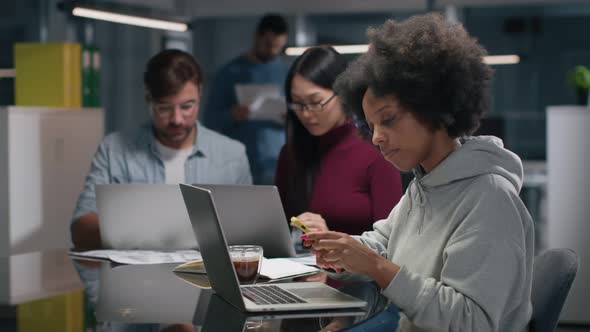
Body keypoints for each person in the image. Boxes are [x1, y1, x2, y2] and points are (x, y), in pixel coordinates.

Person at [304, 14, 534, 331]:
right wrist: (339, 253)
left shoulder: (489, 198)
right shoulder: (424, 185)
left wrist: (376, 267)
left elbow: (473, 322)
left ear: (434, 107)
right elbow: (381, 245)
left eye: (389, 119)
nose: (376, 138)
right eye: (370, 126)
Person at [71, 49, 252, 249]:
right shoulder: (114, 150)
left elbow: (250, 234)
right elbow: (81, 228)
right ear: (148, 99)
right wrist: (141, 231)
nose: (176, 119)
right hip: (135, 277)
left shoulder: (233, 155)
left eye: (187, 106)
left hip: (208, 278)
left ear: (200, 93)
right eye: (164, 108)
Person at [274, 46, 402, 236]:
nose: (306, 113)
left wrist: (331, 240)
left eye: (316, 102)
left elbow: (392, 243)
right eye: (298, 104)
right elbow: (277, 231)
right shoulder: (290, 153)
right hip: (299, 264)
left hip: (358, 265)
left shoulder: (377, 152)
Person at [202, 14, 290, 184]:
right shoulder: (229, 73)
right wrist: (232, 115)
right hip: (238, 164)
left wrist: (292, 118)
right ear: (257, 36)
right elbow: (209, 120)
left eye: (278, 47)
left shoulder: (288, 72)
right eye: (269, 45)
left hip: (277, 163)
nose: (273, 51)